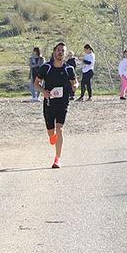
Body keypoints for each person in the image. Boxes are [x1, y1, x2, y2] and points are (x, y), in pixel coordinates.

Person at [35, 41, 77, 169]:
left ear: (65, 54)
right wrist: (44, 92)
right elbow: (36, 83)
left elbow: (75, 82)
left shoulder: (69, 69)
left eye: (62, 51)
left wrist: (75, 86)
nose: (60, 52)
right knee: (51, 132)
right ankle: (52, 136)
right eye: (58, 50)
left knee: (59, 129)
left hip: (63, 102)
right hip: (49, 103)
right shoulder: (46, 67)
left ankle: (57, 158)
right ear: (54, 52)